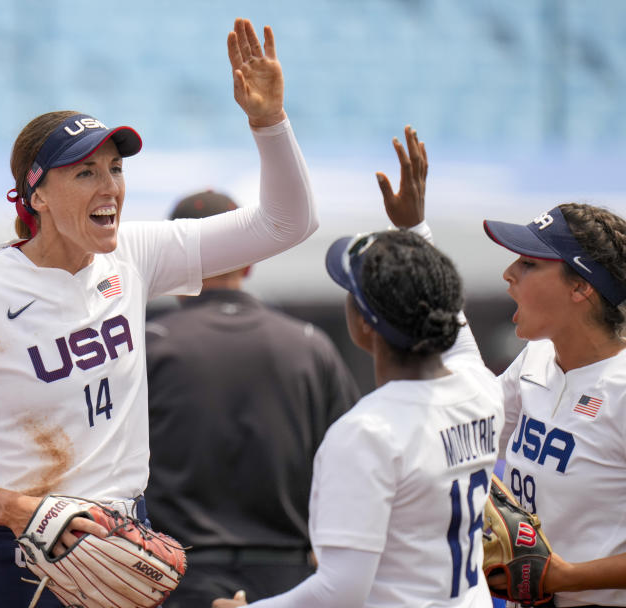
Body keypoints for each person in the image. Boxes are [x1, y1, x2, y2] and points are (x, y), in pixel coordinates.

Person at [0, 18, 319, 608]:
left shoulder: (134, 253)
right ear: (35, 193)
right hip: (20, 565)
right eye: (86, 172)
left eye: (116, 169)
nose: (110, 187)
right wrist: (9, 507)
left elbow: (287, 224)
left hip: (125, 553)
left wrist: (268, 122)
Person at [214, 126, 504, 607]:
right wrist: (415, 230)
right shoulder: (480, 388)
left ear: (365, 325)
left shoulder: (367, 433)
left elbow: (341, 590)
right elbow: (453, 320)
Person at [143, 189, 360, 607]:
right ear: (251, 258)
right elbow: (353, 470)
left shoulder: (148, 349)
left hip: (173, 581)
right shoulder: (310, 346)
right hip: (292, 584)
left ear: (170, 262)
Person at [483, 201, 626, 605]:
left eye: (529, 263)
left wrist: (563, 577)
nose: (509, 274)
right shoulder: (535, 358)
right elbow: (469, 439)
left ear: (581, 286)